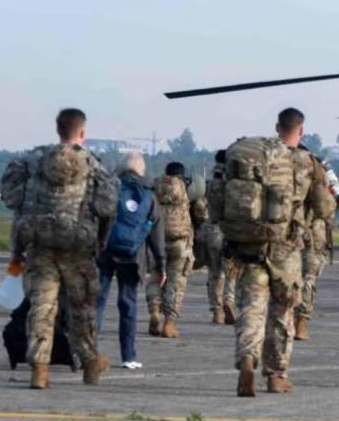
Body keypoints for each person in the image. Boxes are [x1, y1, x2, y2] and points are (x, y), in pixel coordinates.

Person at [209, 107, 335, 397]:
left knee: (251, 307)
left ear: (277, 127)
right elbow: (324, 208)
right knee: (282, 313)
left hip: (249, 247)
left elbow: (215, 202)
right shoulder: (306, 162)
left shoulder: (250, 159)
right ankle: (276, 375)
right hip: (286, 251)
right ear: (300, 130)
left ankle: (247, 359)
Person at [0, 108, 118, 389]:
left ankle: (39, 369)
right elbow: (107, 205)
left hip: (40, 244)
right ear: (82, 132)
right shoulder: (93, 164)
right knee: (82, 308)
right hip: (78, 247)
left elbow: (11, 194)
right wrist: (101, 236)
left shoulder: (34, 160)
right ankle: (90, 363)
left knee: (41, 307)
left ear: (58, 130)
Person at [96, 151, 166, 369]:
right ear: (141, 169)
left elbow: (98, 217)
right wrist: (161, 265)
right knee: (128, 304)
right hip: (133, 257)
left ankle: (87, 352)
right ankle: (128, 356)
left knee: (97, 303)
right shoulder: (149, 195)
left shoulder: (111, 188)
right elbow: (157, 235)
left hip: (105, 252)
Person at [294, 157, 339, 341]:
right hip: (313, 237)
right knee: (307, 280)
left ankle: (284, 321)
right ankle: (301, 324)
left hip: (285, 236)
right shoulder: (319, 180)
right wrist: (333, 177)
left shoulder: (281, 175)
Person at [146, 161, 208, 338]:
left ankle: (154, 311)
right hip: (180, 242)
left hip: (157, 240)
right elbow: (202, 214)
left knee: (156, 277)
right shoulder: (188, 188)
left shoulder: (156, 187)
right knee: (176, 281)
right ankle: (169, 323)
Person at [198, 150, 236, 325]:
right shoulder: (234, 182)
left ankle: (217, 311)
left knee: (214, 273)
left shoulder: (211, 182)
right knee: (232, 272)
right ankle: (229, 301)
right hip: (230, 230)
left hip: (212, 229)